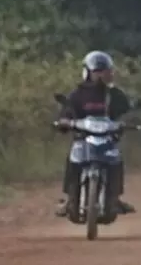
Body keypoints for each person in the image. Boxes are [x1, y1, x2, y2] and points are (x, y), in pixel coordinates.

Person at [55, 51, 136, 217]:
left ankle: (114, 198)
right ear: (87, 72)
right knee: (72, 163)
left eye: (104, 71)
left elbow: (126, 112)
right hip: (83, 139)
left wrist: (127, 123)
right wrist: (64, 122)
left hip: (108, 140)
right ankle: (71, 199)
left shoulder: (115, 95)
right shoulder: (77, 94)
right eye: (97, 71)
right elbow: (67, 111)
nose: (101, 75)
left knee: (116, 163)